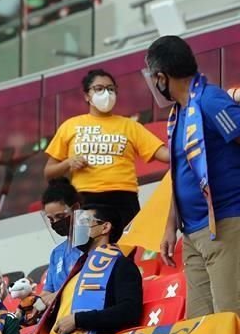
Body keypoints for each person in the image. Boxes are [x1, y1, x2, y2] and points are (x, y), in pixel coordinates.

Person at [148, 35, 240, 319]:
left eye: (154, 77)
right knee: (201, 326)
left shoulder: (211, 101)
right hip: (192, 234)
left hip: (224, 225)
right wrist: (169, 225)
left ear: (162, 77)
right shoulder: (179, 114)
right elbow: (181, 174)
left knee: (230, 321)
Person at [6, 204, 144, 334]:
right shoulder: (79, 271)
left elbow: (130, 311)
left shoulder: (122, 265)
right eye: (77, 223)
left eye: (84, 222)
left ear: (105, 228)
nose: (77, 228)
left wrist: (78, 320)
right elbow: (58, 324)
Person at [44, 69, 169, 231]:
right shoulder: (70, 126)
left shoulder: (129, 125)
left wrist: (189, 145)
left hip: (124, 198)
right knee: (89, 251)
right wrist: (68, 163)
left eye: (111, 89)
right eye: (99, 88)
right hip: (84, 199)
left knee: (125, 252)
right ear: (87, 95)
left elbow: (165, 154)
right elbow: (49, 172)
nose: (106, 93)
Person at [41, 178, 84, 300]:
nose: (56, 223)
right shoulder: (56, 252)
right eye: (51, 219)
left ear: (75, 208)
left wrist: (57, 296)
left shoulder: (92, 245)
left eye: (60, 216)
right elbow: (47, 291)